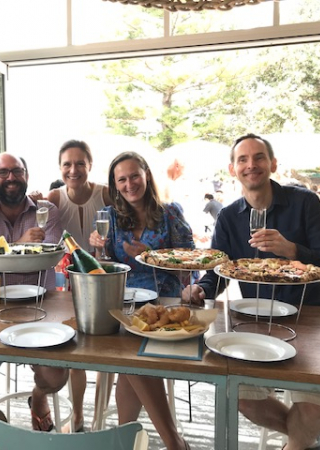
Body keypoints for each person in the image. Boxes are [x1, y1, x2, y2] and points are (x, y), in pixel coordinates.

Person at [183, 133, 320, 450]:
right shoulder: (229, 217)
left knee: (312, 410)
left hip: (312, 319)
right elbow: (218, 273)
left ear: (272, 164)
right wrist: (200, 289)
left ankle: (299, 442)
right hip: (255, 321)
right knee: (241, 396)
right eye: (242, 159)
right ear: (233, 169)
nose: (251, 165)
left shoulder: (304, 203)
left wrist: (293, 250)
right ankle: (306, 440)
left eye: (258, 157)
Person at [89, 151, 194, 450]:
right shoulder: (108, 216)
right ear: (115, 184)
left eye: (134, 175)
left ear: (147, 175)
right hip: (124, 301)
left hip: (165, 303)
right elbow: (104, 265)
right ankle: (168, 441)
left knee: (130, 357)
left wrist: (147, 257)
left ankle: (143, 438)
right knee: (129, 354)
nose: (129, 183)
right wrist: (97, 248)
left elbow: (189, 262)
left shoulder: (170, 213)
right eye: (121, 179)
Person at [0, 153, 67, 431]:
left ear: (26, 175)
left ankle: (38, 395)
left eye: (17, 171)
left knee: (56, 376)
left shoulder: (46, 212)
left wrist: (0, 252)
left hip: (41, 307)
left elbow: (51, 254)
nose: (11, 177)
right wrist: (19, 244)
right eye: (3, 173)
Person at [47, 139, 111, 432]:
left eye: (80, 164)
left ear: (90, 165)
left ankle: (99, 416)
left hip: (104, 278)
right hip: (69, 281)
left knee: (108, 352)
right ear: (60, 168)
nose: (74, 170)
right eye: (67, 165)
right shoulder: (55, 198)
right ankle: (77, 416)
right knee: (76, 353)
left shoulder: (106, 194)